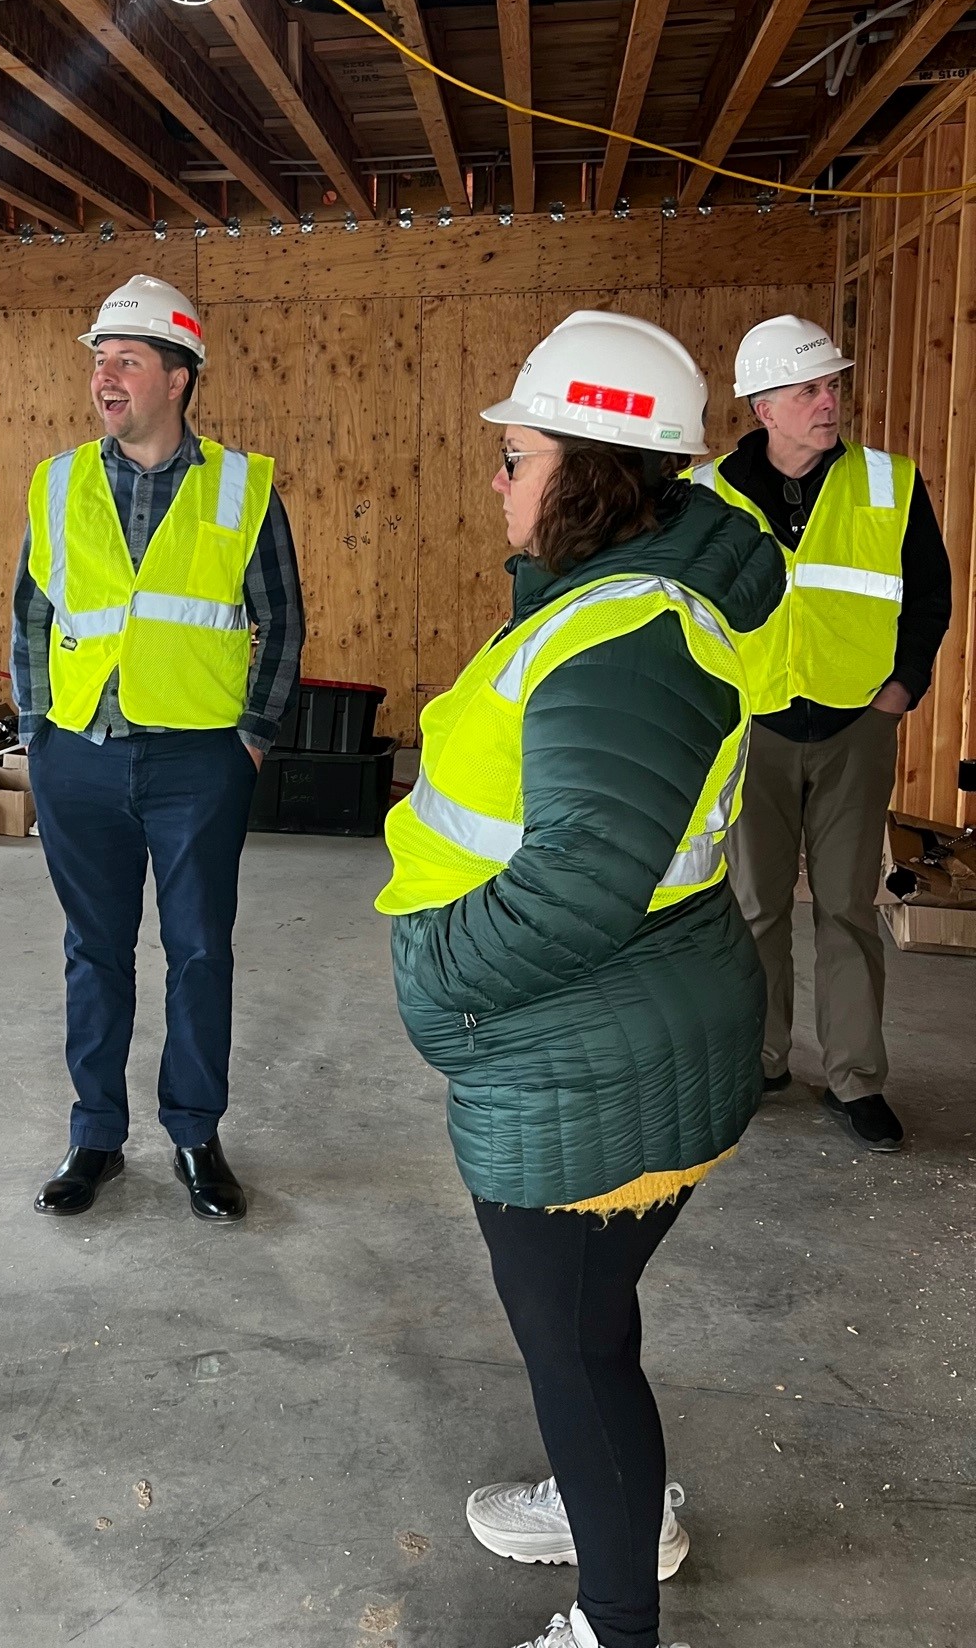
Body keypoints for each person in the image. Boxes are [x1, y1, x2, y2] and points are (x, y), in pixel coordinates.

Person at [380, 312, 784, 1648]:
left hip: (579, 1059)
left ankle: (614, 1617)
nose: (496, 482)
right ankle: (622, 1500)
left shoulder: (628, 638)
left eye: (514, 457)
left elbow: (580, 877)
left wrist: (448, 986)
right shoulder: (620, 602)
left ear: (590, 471)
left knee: (574, 1342)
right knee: (589, 1325)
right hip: (618, 1035)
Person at [12, 275, 303, 1222]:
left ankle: (194, 1135)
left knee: (198, 953)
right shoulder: (56, 483)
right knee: (93, 951)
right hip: (79, 756)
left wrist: (252, 739)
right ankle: (95, 1136)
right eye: (101, 360)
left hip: (196, 760)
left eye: (128, 360)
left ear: (179, 378)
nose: (107, 376)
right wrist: (34, 731)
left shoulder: (241, 485)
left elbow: (282, 620)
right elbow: (31, 615)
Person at [693, 316, 951, 1152]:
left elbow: (930, 596)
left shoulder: (889, 483)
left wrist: (901, 690)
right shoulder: (705, 494)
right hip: (753, 725)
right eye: (808, 389)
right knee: (754, 905)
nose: (828, 401)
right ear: (763, 406)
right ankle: (762, 1060)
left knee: (846, 906)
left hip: (856, 727)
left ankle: (855, 1081)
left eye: (832, 385)